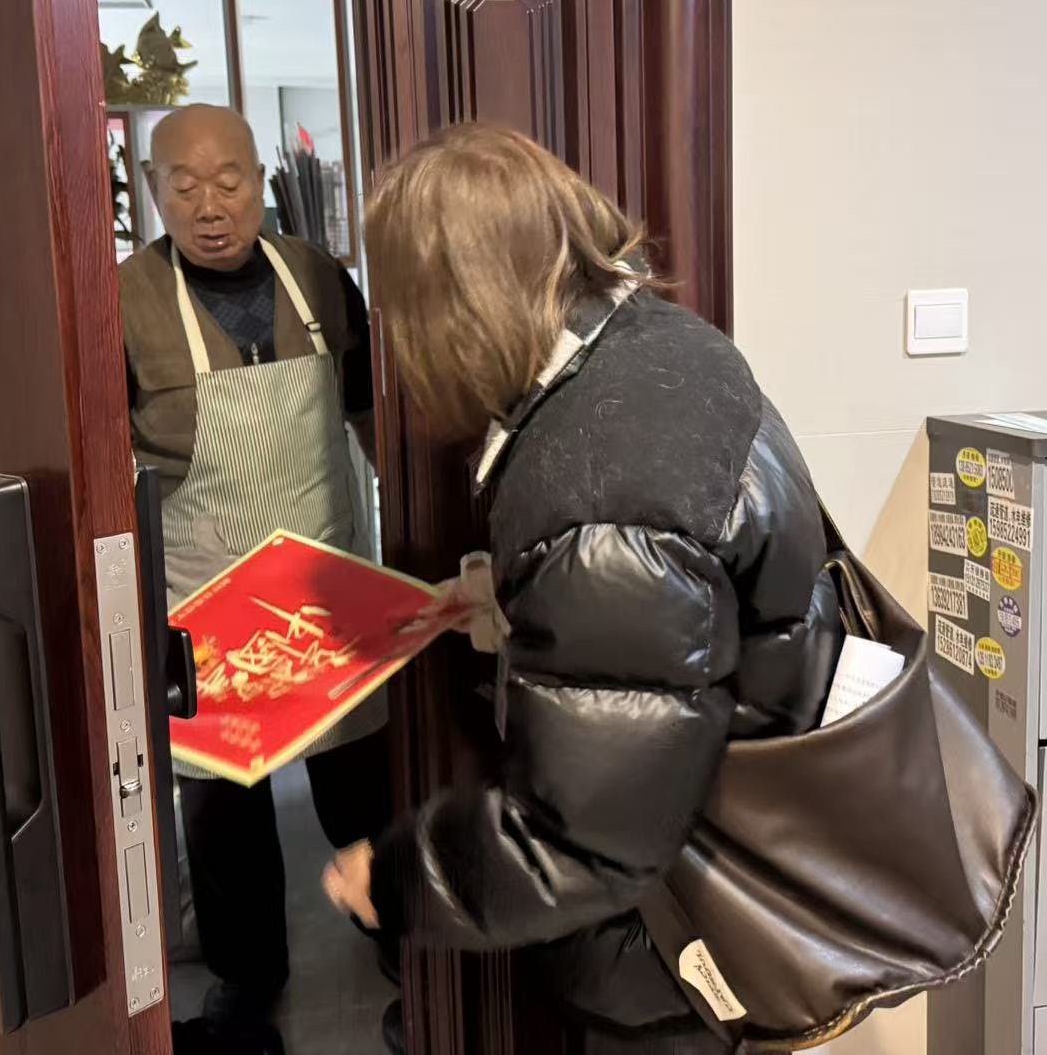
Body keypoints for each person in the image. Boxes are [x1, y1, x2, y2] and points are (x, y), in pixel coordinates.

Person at [324, 124, 840, 1053]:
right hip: (746, 822)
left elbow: (586, 841)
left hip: (675, 928)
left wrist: (396, 877)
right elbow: (685, 592)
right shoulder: (664, 345)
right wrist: (509, 595)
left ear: (449, 308)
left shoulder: (596, 501)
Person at [117, 104, 394, 1055]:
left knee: (359, 779)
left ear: (260, 181)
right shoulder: (122, 299)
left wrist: (409, 546)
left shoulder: (318, 276)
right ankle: (246, 973)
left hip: (325, 575)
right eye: (184, 185)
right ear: (152, 190)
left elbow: (368, 413)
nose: (210, 206)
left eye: (228, 180)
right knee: (224, 807)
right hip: (203, 589)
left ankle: (392, 927)